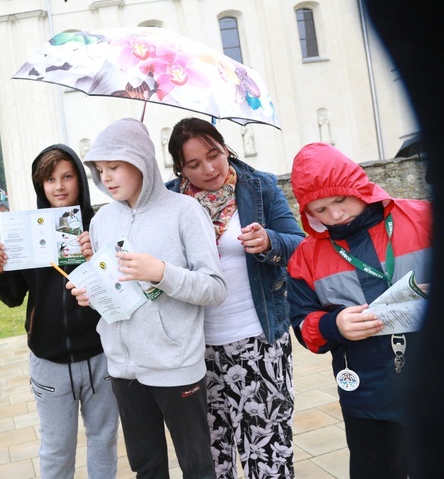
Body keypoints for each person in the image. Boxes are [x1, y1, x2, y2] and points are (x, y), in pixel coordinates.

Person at [72, 117, 227, 478]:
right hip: (123, 369)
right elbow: (115, 292)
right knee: (147, 468)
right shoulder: (101, 221)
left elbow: (215, 288)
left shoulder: (185, 211)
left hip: (177, 366)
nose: (106, 177)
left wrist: (161, 272)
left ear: (141, 160)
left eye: (114, 167)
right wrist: (91, 295)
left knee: (197, 467)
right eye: (99, 169)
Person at [166, 117, 304, 479]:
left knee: (268, 451)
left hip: (259, 340)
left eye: (214, 155)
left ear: (226, 148)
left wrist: (270, 241)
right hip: (196, 349)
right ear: (179, 168)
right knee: (212, 457)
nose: (209, 169)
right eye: (193, 164)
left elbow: (300, 244)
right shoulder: (166, 202)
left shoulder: (260, 187)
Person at [287, 141, 432, 479]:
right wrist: (333, 326)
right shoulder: (305, 256)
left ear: (359, 185)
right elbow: (302, 324)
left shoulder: (422, 217)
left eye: (340, 199)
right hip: (366, 399)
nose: (334, 215)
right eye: (320, 210)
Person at [0, 144, 119, 478]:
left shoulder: (103, 224)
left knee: (103, 442)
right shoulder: (26, 230)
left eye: (67, 176)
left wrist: (96, 260)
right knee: (57, 450)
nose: (58, 186)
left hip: (102, 355)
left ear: (80, 180)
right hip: (49, 362)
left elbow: (121, 290)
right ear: (39, 185)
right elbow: (14, 297)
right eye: (49, 179)